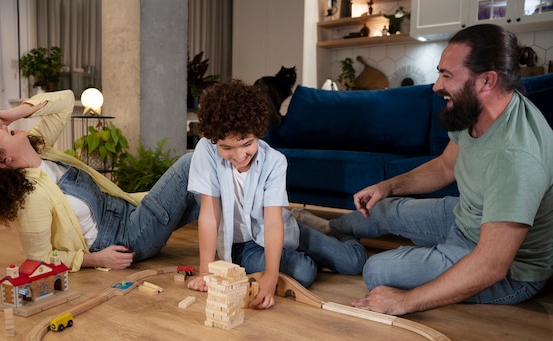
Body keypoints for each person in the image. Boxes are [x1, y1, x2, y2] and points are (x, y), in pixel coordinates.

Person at [294, 24, 553, 315]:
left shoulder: (516, 156)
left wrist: (404, 301)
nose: (436, 86)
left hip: (510, 273)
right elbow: (444, 167)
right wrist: (387, 186)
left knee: (377, 271)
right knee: (382, 207)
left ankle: (340, 249)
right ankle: (329, 228)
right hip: (468, 218)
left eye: (447, 75)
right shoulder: (478, 112)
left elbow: (491, 265)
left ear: (487, 81)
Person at [0, 90, 199, 272]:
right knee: (191, 164)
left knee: (202, 192)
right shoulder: (30, 198)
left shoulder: (40, 150)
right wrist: (97, 259)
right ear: (1, 161)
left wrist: (14, 112)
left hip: (131, 209)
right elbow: (39, 259)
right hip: (128, 239)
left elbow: (64, 100)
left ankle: (238, 247)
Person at [186, 80, 367, 309]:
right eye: (226, 148)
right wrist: (206, 271)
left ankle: (338, 230)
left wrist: (271, 276)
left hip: (280, 226)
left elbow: (272, 222)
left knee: (352, 262)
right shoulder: (205, 152)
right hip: (242, 247)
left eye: (247, 144)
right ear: (214, 141)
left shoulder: (275, 161)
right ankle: (300, 238)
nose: (239, 155)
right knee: (303, 271)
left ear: (259, 132)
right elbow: (209, 214)